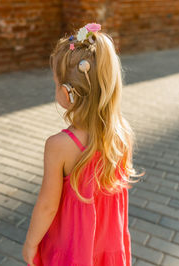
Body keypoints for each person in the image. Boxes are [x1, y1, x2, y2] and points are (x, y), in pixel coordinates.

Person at [22, 23, 139, 266]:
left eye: (56, 83)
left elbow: (47, 207)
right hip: (109, 249)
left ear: (67, 92)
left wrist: (31, 243)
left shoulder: (59, 145)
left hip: (73, 252)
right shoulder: (122, 134)